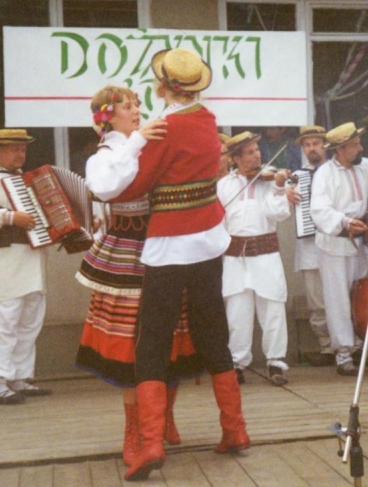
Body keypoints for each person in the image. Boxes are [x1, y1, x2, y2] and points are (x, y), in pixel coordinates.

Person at [112, 48, 249, 481]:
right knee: (213, 330)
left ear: (166, 87)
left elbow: (132, 185)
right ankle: (235, 430)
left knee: (152, 339)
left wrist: (119, 152)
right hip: (209, 237)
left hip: (169, 242)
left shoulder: (163, 129)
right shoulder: (208, 121)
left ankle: (151, 443)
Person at [74, 85, 205, 465]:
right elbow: (103, 187)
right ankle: (135, 430)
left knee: (173, 332)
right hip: (127, 252)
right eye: (127, 106)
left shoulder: (148, 141)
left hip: (164, 242)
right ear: (106, 116)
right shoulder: (105, 154)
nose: (136, 111)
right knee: (132, 341)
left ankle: (164, 416)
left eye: (136, 105)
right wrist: (137, 144)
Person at [309, 122, 368, 376]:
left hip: (362, 242)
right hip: (334, 244)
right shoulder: (324, 174)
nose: (360, 147)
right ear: (340, 149)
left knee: (365, 294)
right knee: (338, 298)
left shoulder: (365, 168)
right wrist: (344, 222)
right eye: (355, 145)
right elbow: (318, 210)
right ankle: (343, 355)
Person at [218, 131, 292, 387]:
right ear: (236, 158)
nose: (257, 155)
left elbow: (279, 214)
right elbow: (219, 223)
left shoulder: (270, 179)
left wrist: (280, 186)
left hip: (266, 254)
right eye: (249, 152)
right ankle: (237, 363)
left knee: (272, 310)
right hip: (236, 257)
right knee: (237, 313)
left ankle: (276, 363)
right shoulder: (224, 185)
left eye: (257, 151)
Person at [0, 128, 51, 405]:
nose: (19, 154)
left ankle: (18, 376)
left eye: (22, 149)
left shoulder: (26, 180)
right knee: (4, 321)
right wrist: (9, 217)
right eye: (13, 148)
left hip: (31, 257)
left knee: (29, 320)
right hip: (4, 261)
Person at [287, 125, 334, 367]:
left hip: (335, 242)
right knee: (316, 301)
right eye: (307, 145)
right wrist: (286, 195)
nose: (311, 148)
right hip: (309, 246)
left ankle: (349, 344)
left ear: (325, 145)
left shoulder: (337, 171)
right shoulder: (297, 177)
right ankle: (326, 346)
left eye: (316, 143)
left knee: (341, 296)